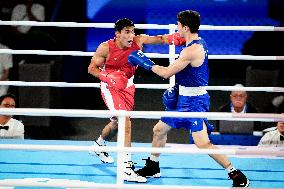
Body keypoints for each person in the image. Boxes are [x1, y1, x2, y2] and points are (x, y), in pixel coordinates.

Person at [128, 10, 249, 187]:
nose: (176, 29)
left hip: (194, 102)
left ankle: (236, 174)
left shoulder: (191, 50)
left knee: (202, 143)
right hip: (183, 97)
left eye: (178, 26)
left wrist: (145, 61)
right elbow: (166, 39)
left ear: (185, 27)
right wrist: (146, 39)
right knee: (159, 130)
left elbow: (166, 72)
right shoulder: (196, 41)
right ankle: (153, 165)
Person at [87, 18, 184, 182]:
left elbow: (160, 39)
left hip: (128, 85)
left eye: (132, 31)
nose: (131, 35)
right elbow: (91, 69)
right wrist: (108, 77)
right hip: (110, 86)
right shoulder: (105, 47)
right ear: (117, 34)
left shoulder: (138, 41)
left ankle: (99, 145)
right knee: (125, 120)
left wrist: (177, 37)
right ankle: (126, 166)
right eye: (127, 32)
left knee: (118, 122)